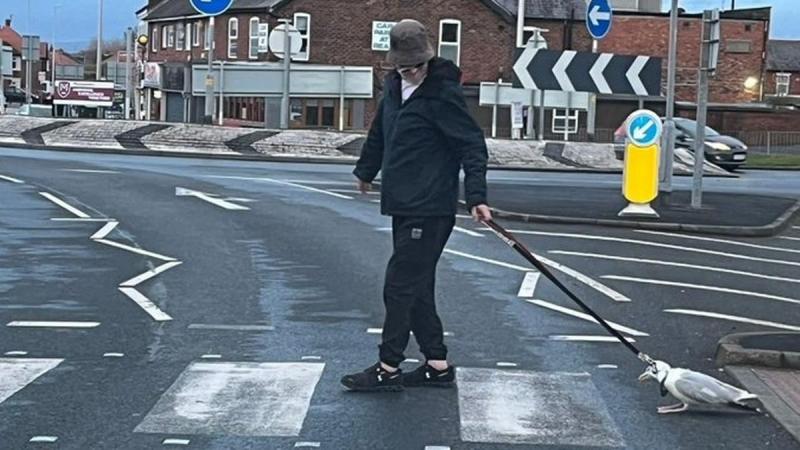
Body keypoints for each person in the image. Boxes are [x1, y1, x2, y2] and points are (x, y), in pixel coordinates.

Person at [341, 19, 492, 392]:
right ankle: (437, 364)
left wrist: (476, 196)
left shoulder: (443, 95)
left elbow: (472, 146)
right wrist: (366, 169)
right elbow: (379, 132)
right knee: (417, 285)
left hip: (431, 205)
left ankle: (388, 367)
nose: (409, 73)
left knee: (399, 285)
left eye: (416, 66)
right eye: (403, 67)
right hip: (402, 202)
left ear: (427, 61)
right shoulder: (393, 88)